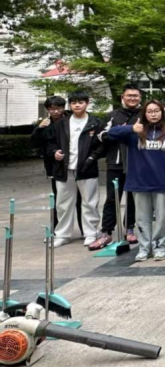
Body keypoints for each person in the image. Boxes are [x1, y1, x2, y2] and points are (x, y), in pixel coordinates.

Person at [108, 100, 165, 262]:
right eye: (149, 111)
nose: (153, 114)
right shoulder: (136, 130)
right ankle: (144, 248)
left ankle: (160, 247)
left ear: (162, 113)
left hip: (162, 182)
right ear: (144, 114)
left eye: (156, 111)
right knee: (142, 218)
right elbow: (111, 134)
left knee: (162, 219)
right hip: (139, 182)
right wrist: (130, 128)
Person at [89, 84, 143, 252]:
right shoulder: (112, 115)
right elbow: (102, 136)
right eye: (129, 95)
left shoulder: (144, 114)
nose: (132, 98)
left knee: (133, 198)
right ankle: (106, 231)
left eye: (135, 95)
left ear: (140, 98)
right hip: (115, 162)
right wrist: (127, 130)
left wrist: (120, 132)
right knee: (112, 198)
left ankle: (129, 228)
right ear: (122, 97)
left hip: (137, 163)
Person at [47, 91, 104, 249]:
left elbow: (102, 145)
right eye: (73, 103)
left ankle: (91, 233)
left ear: (87, 103)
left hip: (87, 168)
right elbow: (50, 142)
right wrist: (54, 152)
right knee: (63, 204)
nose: (77, 105)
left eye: (80, 102)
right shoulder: (61, 123)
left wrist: (92, 158)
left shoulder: (95, 122)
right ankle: (62, 234)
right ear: (70, 105)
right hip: (63, 169)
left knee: (89, 202)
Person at [31, 97, 83, 230]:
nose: (55, 111)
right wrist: (39, 128)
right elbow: (35, 143)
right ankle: (57, 229)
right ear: (47, 109)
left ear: (64, 108)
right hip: (56, 166)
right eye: (52, 109)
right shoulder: (46, 123)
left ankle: (85, 229)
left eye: (58, 108)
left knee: (81, 198)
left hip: (76, 163)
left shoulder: (72, 120)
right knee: (59, 199)